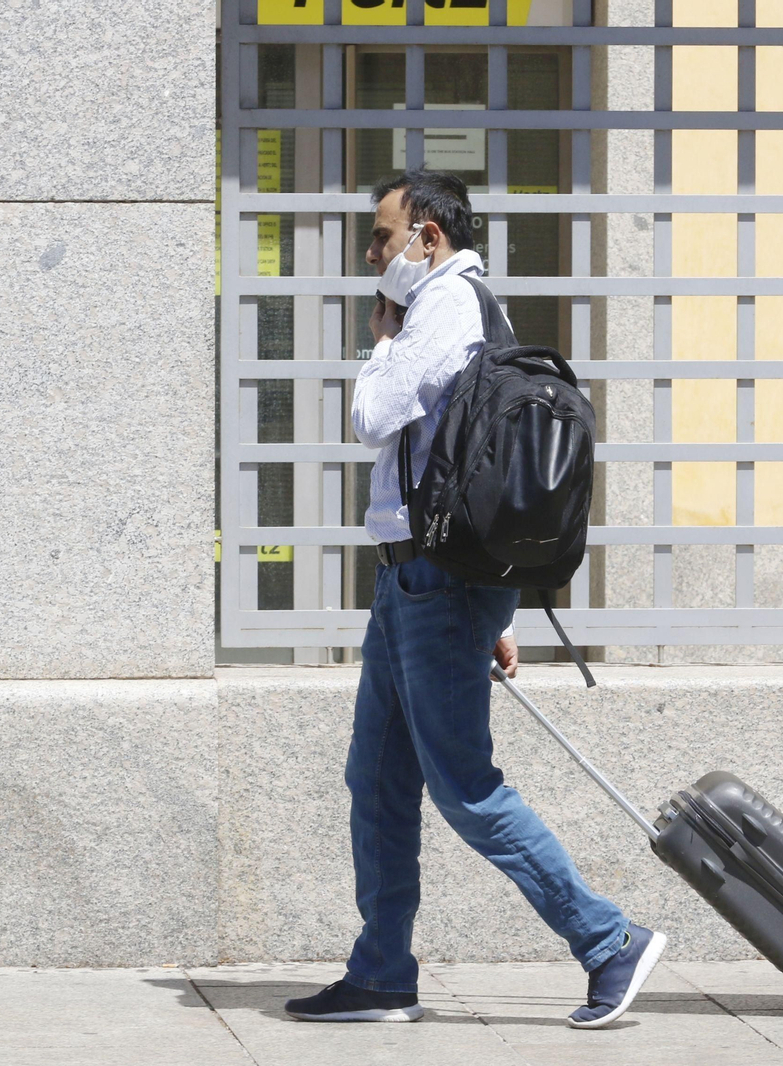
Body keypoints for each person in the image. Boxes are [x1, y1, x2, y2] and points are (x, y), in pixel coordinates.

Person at [283, 169, 666, 1030]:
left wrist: (382, 341)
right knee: (377, 778)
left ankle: (608, 942)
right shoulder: (461, 308)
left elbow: (376, 415)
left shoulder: (449, 305)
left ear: (426, 235)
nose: (371, 252)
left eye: (382, 236)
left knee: (464, 786)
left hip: (433, 584)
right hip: (416, 580)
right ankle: (382, 972)